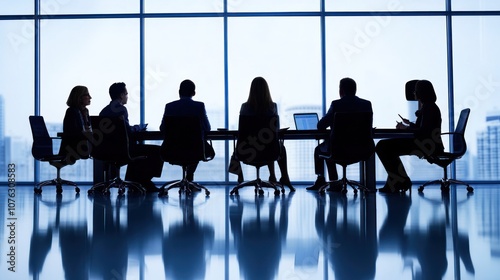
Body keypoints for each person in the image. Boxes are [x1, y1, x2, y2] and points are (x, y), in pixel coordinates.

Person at [376, 79, 444, 193]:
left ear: (420, 93)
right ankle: (399, 181)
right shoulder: (429, 107)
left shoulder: (429, 108)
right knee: (385, 147)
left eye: (416, 91)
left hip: (425, 145)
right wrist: (409, 124)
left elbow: (423, 132)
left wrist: (405, 128)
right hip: (425, 143)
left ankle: (401, 181)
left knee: (382, 146)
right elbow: (423, 129)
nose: (414, 93)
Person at [228, 76, 294, 192]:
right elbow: (274, 132)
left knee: (244, 148)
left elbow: (241, 131)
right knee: (277, 146)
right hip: (268, 151)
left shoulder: (245, 107)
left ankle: (240, 177)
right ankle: (281, 177)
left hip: (247, 152)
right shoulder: (272, 107)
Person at [306, 77, 373, 191]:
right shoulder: (366, 104)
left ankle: (329, 182)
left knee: (320, 149)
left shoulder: (336, 104)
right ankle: (367, 185)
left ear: (341, 90)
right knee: (329, 146)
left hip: (339, 150)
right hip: (362, 149)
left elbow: (321, 125)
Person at [99, 82, 163, 192]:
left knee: (137, 149)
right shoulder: (122, 109)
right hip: (122, 150)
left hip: (105, 150)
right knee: (157, 151)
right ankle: (145, 181)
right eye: (126, 94)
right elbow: (126, 131)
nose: (127, 97)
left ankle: (135, 180)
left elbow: (119, 130)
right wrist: (138, 128)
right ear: (121, 95)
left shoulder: (103, 111)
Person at [160, 79, 215, 183]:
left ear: (179, 92)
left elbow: (162, 128)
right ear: (194, 93)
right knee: (200, 146)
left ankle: (188, 178)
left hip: (173, 149)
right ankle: (189, 176)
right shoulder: (199, 106)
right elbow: (207, 128)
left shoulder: (169, 107)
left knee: (193, 147)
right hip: (195, 149)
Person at [60, 85, 92, 164]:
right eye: (87, 95)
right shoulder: (72, 112)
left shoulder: (85, 111)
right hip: (73, 146)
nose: (90, 97)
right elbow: (74, 132)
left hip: (82, 144)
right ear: (80, 97)